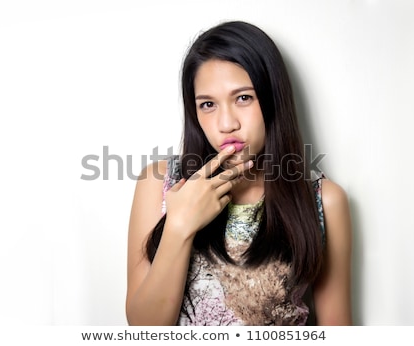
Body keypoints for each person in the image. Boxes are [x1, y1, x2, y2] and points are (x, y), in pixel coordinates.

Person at [125, 20, 352, 326]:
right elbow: (144, 328)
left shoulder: (324, 200)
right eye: (208, 104)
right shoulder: (161, 183)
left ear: (272, 99)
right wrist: (179, 225)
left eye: (243, 98)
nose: (226, 123)